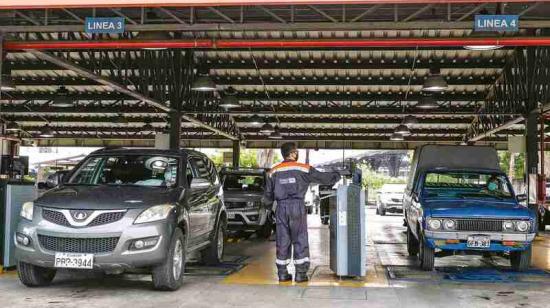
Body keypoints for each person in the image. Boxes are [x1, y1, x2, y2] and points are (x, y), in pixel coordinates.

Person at [264, 142, 341, 283]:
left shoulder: (273, 171)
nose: (297, 153)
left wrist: (270, 209)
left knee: (282, 239)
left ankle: (282, 274)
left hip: (281, 208)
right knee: (299, 238)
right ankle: (300, 274)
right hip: (297, 207)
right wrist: (337, 175)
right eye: (296, 151)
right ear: (292, 153)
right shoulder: (303, 169)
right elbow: (322, 178)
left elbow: (268, 195)